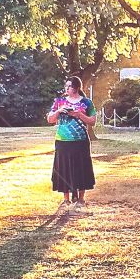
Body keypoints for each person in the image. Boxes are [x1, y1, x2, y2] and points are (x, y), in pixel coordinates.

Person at [47, 76, 96, 207]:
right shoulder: (59, 101)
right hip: (63, 141)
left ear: (76, 88)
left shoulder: (86, 102)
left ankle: (81, 198)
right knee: (64, 168)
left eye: (69, 86)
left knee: (81, 167)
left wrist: (79, 114)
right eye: (66, 86)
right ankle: (66, 198)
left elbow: (92, 121)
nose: (66, 88)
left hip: (80, 141)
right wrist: (58, 111)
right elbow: (50, 119)